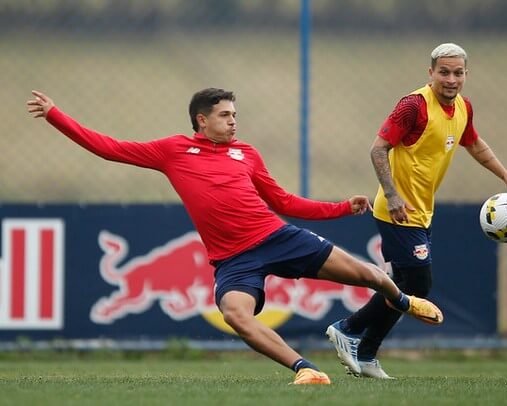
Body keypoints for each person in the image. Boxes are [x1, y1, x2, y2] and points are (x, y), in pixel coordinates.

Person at [27, 87, 443, 385]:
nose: (233, 121)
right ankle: (306, 370)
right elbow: (108, 147)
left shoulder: (247, 154)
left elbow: (282, 201)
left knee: (368, 275)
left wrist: (338, 207)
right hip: (234, 260)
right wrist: (55, 115)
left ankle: (405, 302)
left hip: (279, 237)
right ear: (201, 120)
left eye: (235, 115)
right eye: (226, 115)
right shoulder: (171, 151)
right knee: (236, 316)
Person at [326, 43, 507, 379]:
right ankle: (349, 329)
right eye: (444, 72)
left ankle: (364, 353)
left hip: (422, 211)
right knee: (418, 284)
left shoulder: (464, 108)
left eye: (458, 72)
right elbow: (378, 149)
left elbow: (474, 144)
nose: (451, 79)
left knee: (406, 284)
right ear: (431, 73)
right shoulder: (413, 106)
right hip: (398, 211)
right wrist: (392, 196)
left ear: (467, 74)